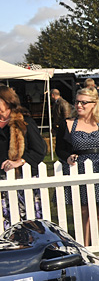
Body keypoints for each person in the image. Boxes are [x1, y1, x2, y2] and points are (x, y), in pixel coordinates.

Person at [54, 86, 99, 245]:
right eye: (77, 102)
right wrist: (68, 157)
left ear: (94, 103)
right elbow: (60, 149)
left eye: (84, 103)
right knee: (83, 211)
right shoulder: (67, 124)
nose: (79, 106)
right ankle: (85, 248)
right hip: (79, 171)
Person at [0, 85, 46, 229]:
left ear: (7, 101)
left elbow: (40, 150)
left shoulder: (23, 122)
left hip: (22, 181)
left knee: (29, 224)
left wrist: (20, 161)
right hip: (2, 183)